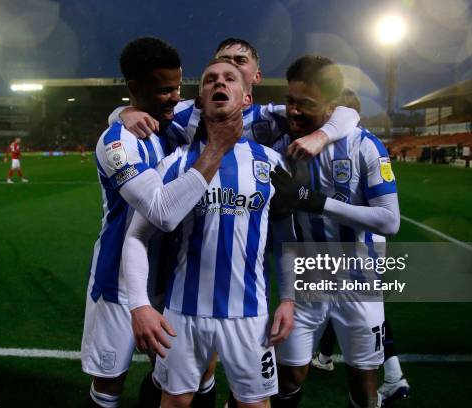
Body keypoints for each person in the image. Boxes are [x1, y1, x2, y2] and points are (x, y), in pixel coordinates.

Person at [122, 59, 297, 408]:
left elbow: (286, 238)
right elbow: (136, 237)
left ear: (246, 98)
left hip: (250, 314)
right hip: (183, 313)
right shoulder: (175, 163)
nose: (220, 83)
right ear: (199, 100)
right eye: (210, 80)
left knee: (254, 405)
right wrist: (139, 304)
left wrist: (290, 299)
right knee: (175, 402)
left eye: (230, 79)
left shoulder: (272, 164)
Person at [80, 37, 241, 408]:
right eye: (165, 89)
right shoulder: (119, 141)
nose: (175, 97)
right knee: (108, 386)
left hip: (170, 279)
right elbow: (162, 212)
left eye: (179, 87)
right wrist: (119, 115)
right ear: (135, 89)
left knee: (182, 374)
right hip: (119, 284)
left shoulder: (172, 121)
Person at [269, 55, 400, 408]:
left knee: (363, 384)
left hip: (360, 282)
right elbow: (280, 223)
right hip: (308, 280)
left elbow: (390, 221)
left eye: (305, 105)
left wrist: (316, 202)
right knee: (287, 378)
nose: (293, 112)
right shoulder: (282, 148)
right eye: (290, 101)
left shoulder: (365, 146)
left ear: (332, 105)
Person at [308, 89, 411, 405]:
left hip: (363, 251)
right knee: (335, 300)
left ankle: (393, 377)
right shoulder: (327, 147)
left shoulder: (363, 146)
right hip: (349, 254)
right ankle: (326, 355)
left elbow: (387, 218)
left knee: (363, 310)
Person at [110, 38, 360, 160]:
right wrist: (123, 112)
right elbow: (145, 108)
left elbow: (345, 114)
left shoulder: (269, 118)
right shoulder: (183, 113)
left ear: (256, 76)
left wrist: (321, 136)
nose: (230, 67)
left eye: (240, 61)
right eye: (223, 61)